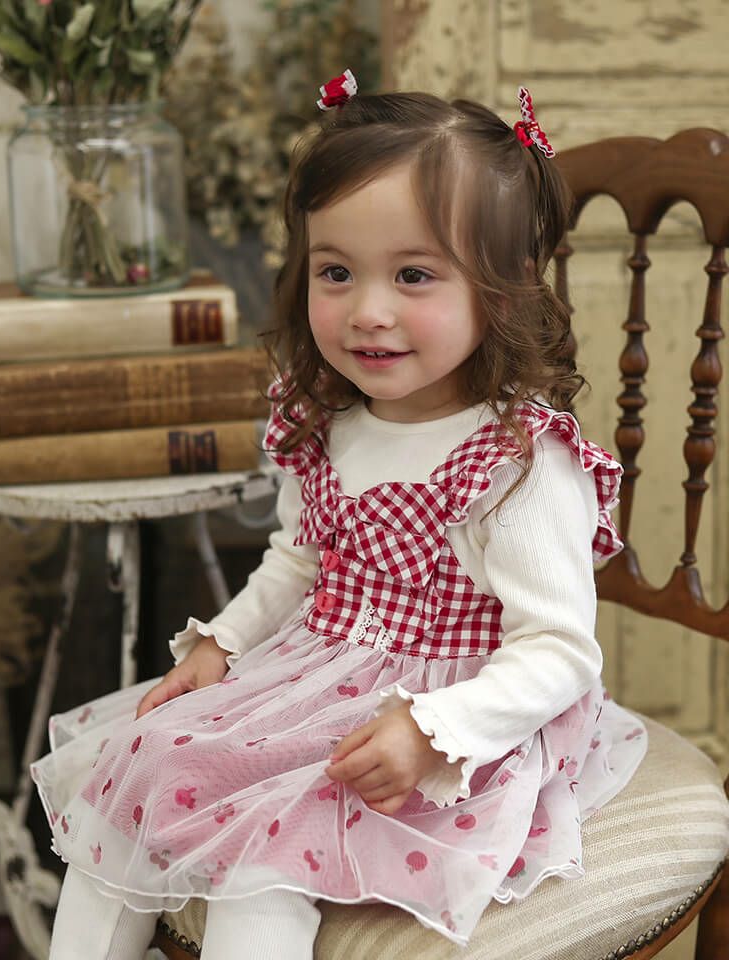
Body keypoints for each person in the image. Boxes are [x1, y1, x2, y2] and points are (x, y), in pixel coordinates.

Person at [32, 72, 648, 960]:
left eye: (413, 275)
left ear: (503, 290)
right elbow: (298, 558)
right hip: (310, 678)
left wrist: (434, 730)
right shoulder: (328, 421)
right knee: (132, 776)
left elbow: (559, 649)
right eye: (336, 272)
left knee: (263, 863)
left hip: (443, 715)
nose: (368, 312)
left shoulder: (516, 463)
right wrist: (225, 643)